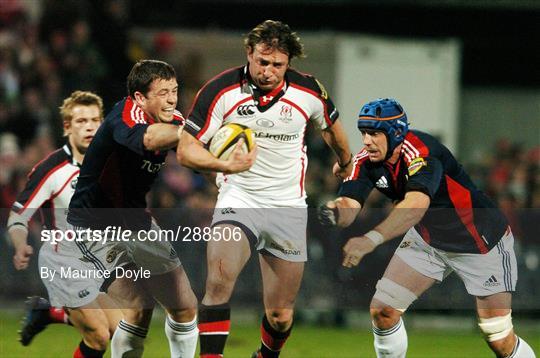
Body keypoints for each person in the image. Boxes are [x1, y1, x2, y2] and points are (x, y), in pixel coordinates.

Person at [177, 20, 353, 358]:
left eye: (277, 65)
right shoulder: (221, 90)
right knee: (218, 280)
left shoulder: (309, 91)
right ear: (249, 53)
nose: (269, 71)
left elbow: (330, 127)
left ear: (289, 63)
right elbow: (186, 150)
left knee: (280, 315)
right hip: (239, 198)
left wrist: (345, 160)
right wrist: (225, 166)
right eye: (263, 62)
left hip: (287, 206)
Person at [319, 98, 536, 358]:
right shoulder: (366, 161)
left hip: (481, 242)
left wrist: (372, 239)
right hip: (428, 240)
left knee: (498, 337)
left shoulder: (423, 152)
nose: (366, 141)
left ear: (395, 133)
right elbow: (350, 204)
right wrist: (334, 210)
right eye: (364, 133)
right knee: (383, 310)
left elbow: (416, 205)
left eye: (374, 133)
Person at [64, 60, 198, 357]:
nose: (173, 99)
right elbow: (150, 139)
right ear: (140, 97)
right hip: (94, 226)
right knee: (138, 307)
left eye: (174, 91)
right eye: (163, 93)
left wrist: (225, 167)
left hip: (137, 222)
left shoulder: (175, 120)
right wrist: (189, 133)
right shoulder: (124, 117)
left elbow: (193, 154)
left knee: (185, 305)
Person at [7, 91, 123, 354]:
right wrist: (20, 243)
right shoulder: (51, 169)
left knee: (122, 332)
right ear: (67, 127)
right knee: (98, 336)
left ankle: (49, 312)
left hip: (95, 261)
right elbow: (18, 216)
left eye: (95, 120)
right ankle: (51, 311)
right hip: (62, 263)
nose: (90, 126)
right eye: (81, 121)